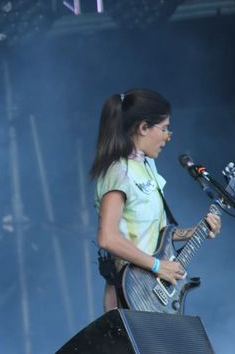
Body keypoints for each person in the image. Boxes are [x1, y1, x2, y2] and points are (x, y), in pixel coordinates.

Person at [90, 88, 220, 312]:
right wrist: (158, 266)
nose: (168, 137)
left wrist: (195, 231)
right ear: (143, 128)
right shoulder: (119, 171)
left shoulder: (147, 165)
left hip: (152, 291)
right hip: (130, 291)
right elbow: (107, 237)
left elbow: (156, 234)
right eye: (164, 128)